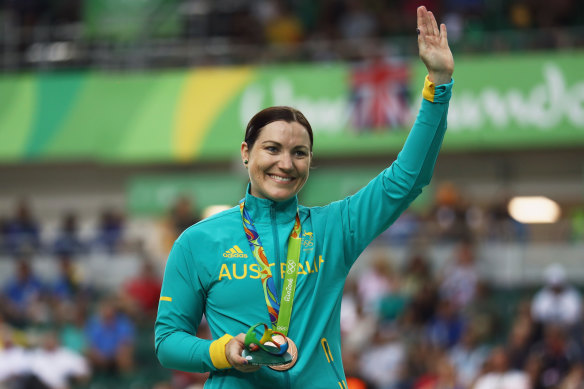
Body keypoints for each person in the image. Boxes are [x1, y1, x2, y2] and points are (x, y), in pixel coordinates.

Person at [155, 6, 454, 388]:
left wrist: (438, 83)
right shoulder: (198, 241)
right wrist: (224, 351)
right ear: (246, 153)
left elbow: (407, 179)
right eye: (272, 149)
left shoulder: (335, 228)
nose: (286, 163)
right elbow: (167, 343)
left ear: (310, 162)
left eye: (299, 153)